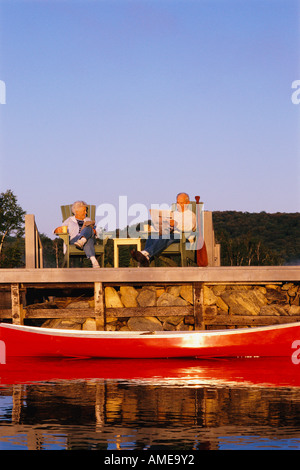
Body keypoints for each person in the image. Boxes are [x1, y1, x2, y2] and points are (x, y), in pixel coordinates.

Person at [131, 192, 199, 267]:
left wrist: (176, 224)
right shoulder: (174, 214)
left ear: (187, 203)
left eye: (181, 203)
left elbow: (189, 227)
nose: (179, 205)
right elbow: (165, 227)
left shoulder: (191, 215)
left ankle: (146, 253)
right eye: (177, 202)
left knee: (168, 236)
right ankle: (146, 259)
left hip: (185, 238)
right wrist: (151, 228)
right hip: (171, 235)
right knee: (151, 237)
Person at [54, 200, 100, 268]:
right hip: (75, 241)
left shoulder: (88, 219)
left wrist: (95, 231)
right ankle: (94, 261)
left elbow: (98, 232)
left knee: (89, 228)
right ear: (77, 211)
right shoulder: (69, 220)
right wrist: (56, 230)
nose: (86, 212)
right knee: (88, 238)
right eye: (84, 211)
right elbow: (60, 229)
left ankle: (82, 240)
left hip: (83, 241)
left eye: (86, 211)